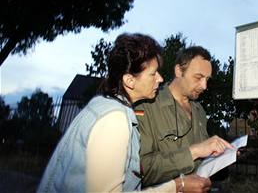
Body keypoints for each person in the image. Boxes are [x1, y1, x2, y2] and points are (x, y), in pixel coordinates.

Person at [37, 33, 211, 193]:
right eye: (153, 74)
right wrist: (177, 185)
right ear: (129, 81)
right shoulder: (114, 119)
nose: (160, 78)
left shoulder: (104, 104)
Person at [136, 46, 233, 187]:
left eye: (207, 79)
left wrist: (223, 154)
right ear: (179, 71)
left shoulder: (199, 110)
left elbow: (202, 159)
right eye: (198, 77)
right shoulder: (147, 107)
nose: (204, 86)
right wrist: (194, 152)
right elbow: (142, 170)